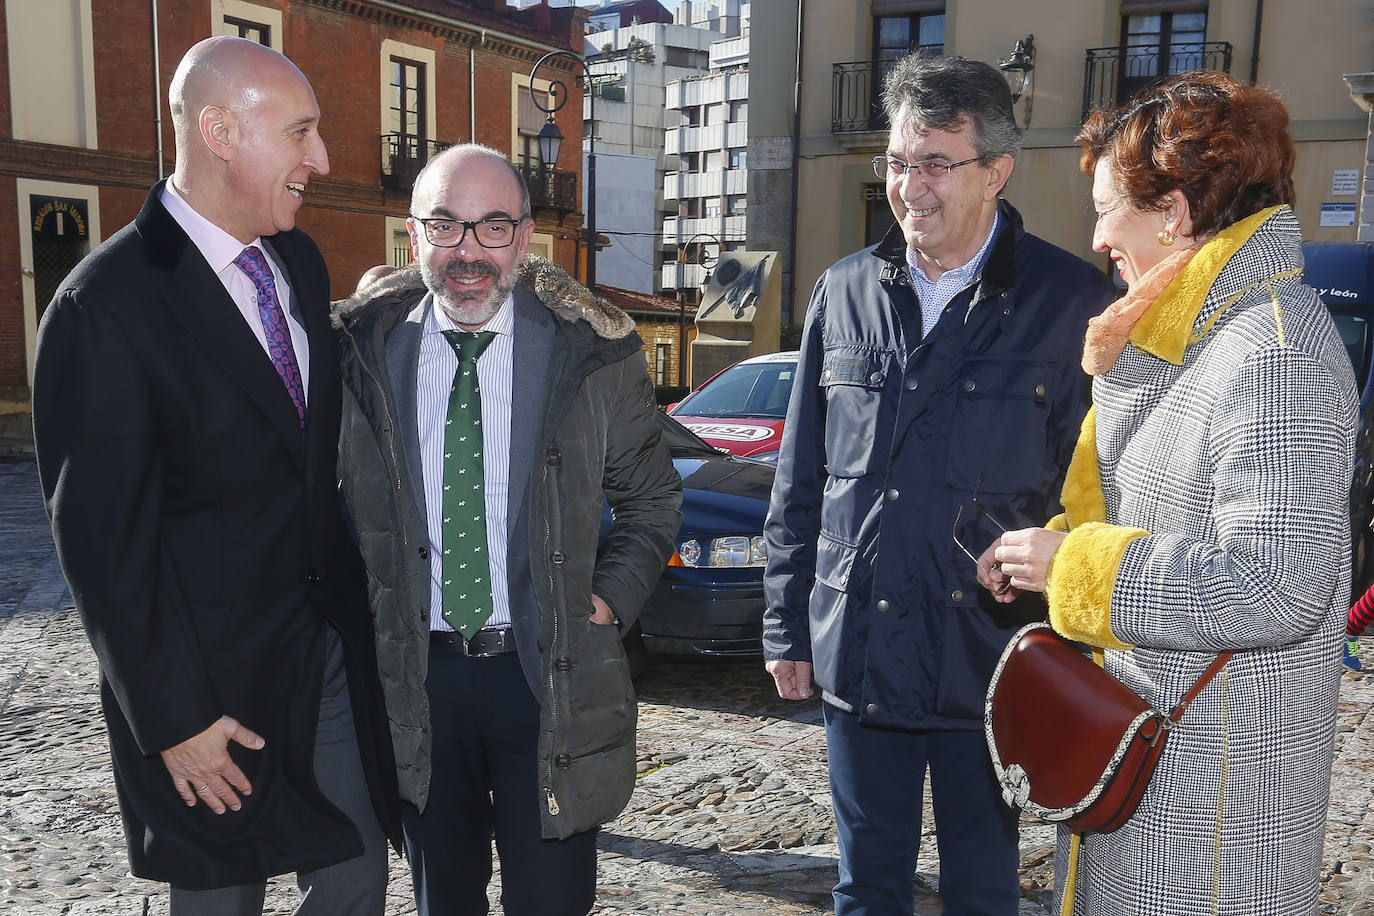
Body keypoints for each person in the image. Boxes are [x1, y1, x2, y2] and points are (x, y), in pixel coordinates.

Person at [30, 37, 399, 915]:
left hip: (327, 660)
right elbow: (100, 548)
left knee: (357, 881)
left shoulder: (299, 264)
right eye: (301, 132)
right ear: (220, 130)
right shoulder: (104, 306)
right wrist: (173, 723)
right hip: (206, 700)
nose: (323, 160)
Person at [976, 70, 1357, 916]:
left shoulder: (1272, 349)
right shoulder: (1200, 337)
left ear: (1173, 212)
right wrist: (1049, 557)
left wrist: (1077, 565)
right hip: (1164, 766)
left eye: (1110, 206)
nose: (1099, 233)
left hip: (1215, 809)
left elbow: (1275, 583)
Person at [762, 54, 1114, 915]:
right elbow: (800, 475)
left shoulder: (1073, 303)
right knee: (866, 886)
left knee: (984, 889)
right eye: (895, 162)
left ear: (996, 171)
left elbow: (1102, 491)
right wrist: (784, 624)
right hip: (859, 653)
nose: (908, 187)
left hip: (991, 658)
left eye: (934, 163)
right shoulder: (842, 292)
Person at [334, 143, 683, 916]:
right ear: (414, 236)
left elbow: (653, 500)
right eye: (446, 227)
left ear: (526, 239)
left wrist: (604, 603)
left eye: (493, 228)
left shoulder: (592, 355)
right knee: (442, 902)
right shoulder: (358, 355)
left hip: (547, 674)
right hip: (417, 683)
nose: (468, 252)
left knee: (552, 903)